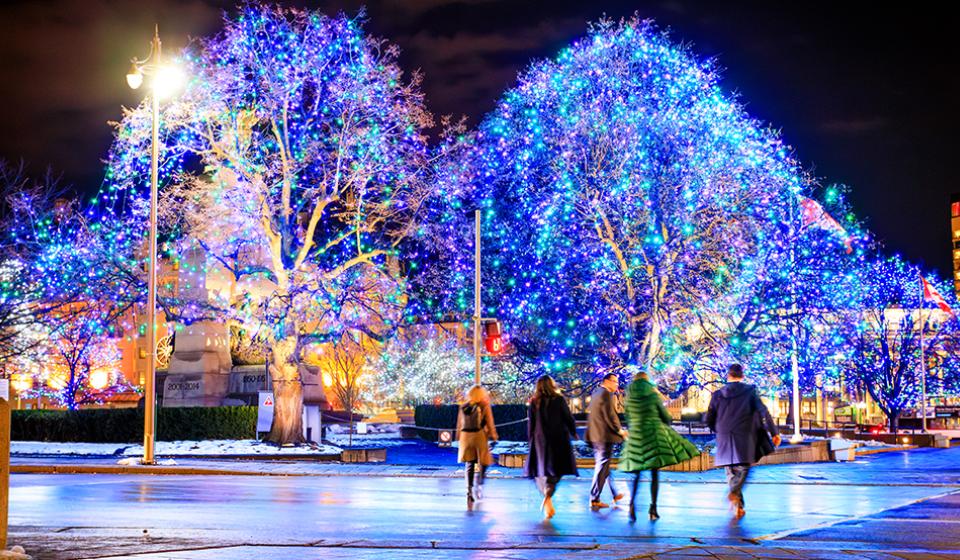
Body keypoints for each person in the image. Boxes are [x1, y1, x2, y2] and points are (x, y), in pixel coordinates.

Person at [618, 369, 699, 522]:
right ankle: (653, 507)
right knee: (654, 474)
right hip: (653, 437)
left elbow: (628, 417)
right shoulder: (652, 394)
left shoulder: (629, 397)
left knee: (636, 474)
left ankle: (631, 505)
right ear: (647, 380)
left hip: (636, 438)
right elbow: (665, 416)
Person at [705, 363, 781, 519]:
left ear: (728, 376)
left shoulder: (718, 394)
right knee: (744, 467)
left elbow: (710, 416)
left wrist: (717, 430)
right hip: (744, 434)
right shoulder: (749, 392)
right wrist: (774, 432)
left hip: (725, 434)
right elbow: (763, 411)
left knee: (731, 471)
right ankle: (733, 494)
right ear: (742, 376)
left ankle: (738, 506)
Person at [524, 375, 579, 519]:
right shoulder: (559, 400)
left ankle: (546, 495)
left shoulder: (534, 402)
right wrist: (573, 432)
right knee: (558, 469)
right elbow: (568, 417)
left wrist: (530, 439)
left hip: (540, 440)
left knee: (542, 470)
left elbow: (531, 423)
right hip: (558, 439)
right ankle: (549, 495)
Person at [586, 372, 627, 509]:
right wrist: (620, 430)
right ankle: (594, 498)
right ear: (607, 381)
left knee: (605, 466)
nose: (617, 384)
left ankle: (614, 493)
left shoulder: (597, 393)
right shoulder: (606, 394)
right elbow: (610, 415)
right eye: (615, 381)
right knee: (602, 466)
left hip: (596, 436)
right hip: (604, 436)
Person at [457, 384, 498, 509]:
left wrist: (458, 436)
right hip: (478, 435)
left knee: (470, 463)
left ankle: (469, 490)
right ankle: (479, 484)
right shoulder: (484, 405)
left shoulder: (464, 406)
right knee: (484, 461)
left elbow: (459, 423)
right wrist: (494, 435)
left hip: (465, 437)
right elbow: (489, 422)